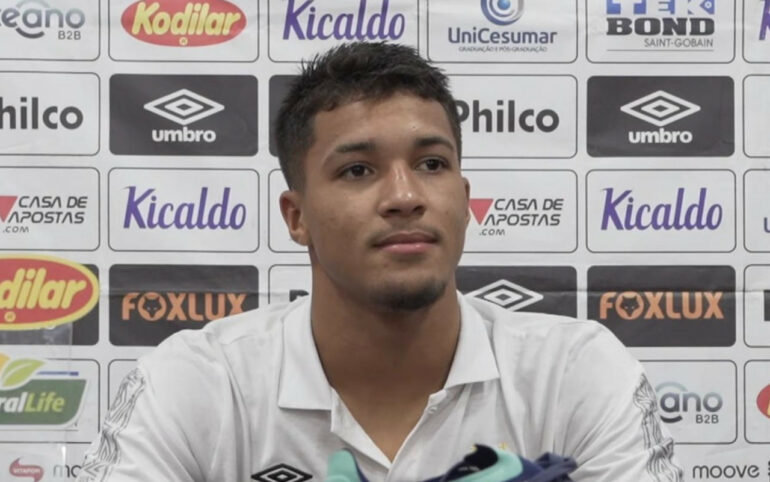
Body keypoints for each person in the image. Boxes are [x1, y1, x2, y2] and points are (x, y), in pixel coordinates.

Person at [78, 42, 683, 482]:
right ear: (296, 216)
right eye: (357, 170)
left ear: (464, 200)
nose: (404, 196)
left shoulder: (573, 372)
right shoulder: (198, 383)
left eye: (432, 164)